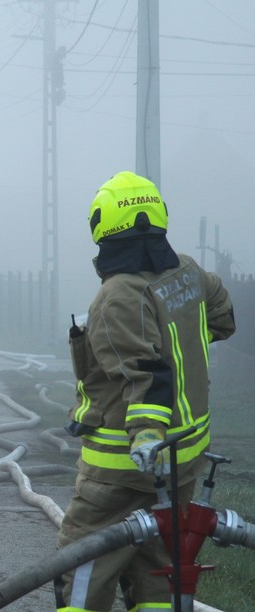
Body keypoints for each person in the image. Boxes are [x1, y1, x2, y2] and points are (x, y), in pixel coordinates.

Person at [55, 171, 236, 611]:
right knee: (159, 568)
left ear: (102, 224)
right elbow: (222, 319)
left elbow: (146, 374)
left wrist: (147, 435)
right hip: (182, 462)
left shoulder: (119, 295)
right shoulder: (188, 274)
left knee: (83, 564)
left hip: (121, 470)